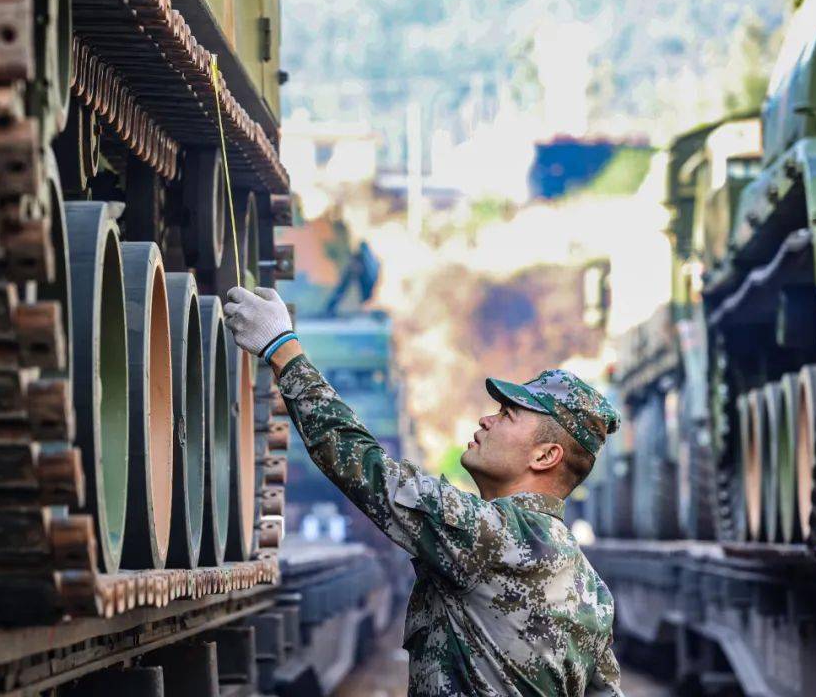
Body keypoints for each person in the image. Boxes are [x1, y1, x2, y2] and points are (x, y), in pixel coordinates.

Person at [223, 286, 624, 697]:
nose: (486, 420)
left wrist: (282, 349)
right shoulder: (592, 592)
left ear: (545, 455)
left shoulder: (491, 535)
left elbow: (365, 467)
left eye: (507, 415)